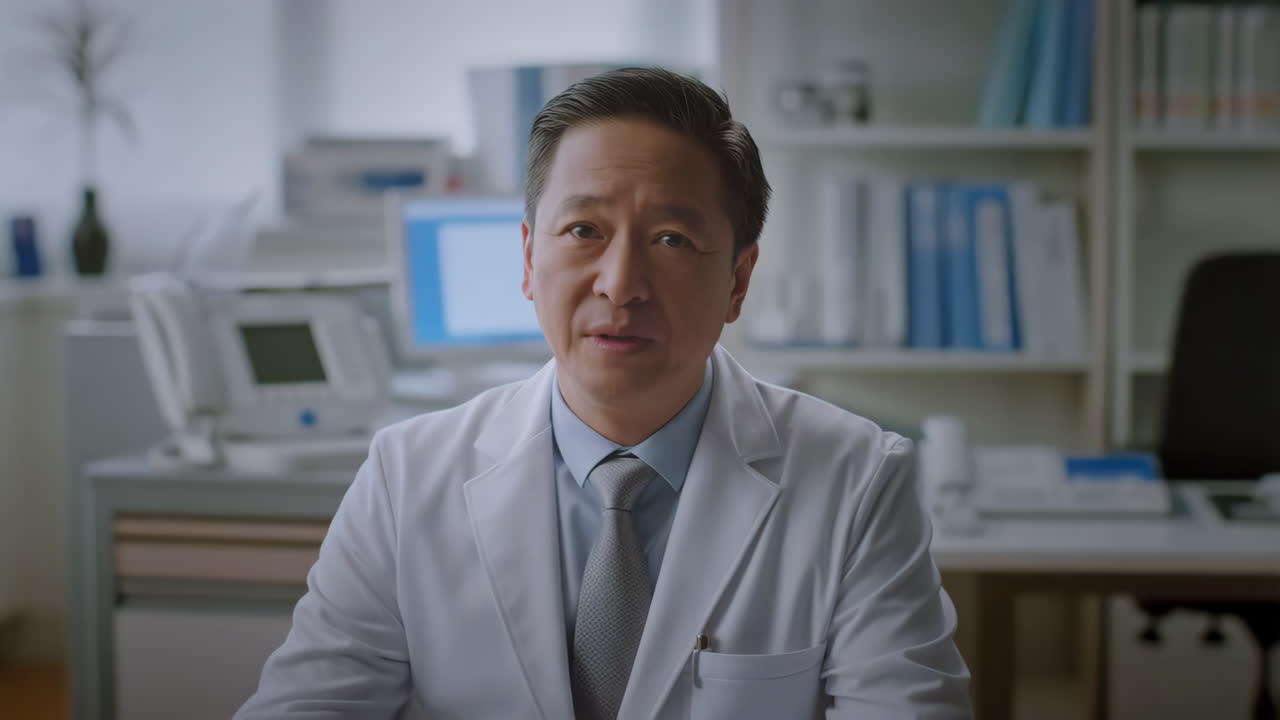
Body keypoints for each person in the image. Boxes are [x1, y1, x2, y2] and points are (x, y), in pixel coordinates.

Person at [237, 67, 971, 720]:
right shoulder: (407, 476)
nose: (620, 284)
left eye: (671, 240)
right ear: (528, 258)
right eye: (585, 229)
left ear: (738, 281)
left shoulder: (856, 479)